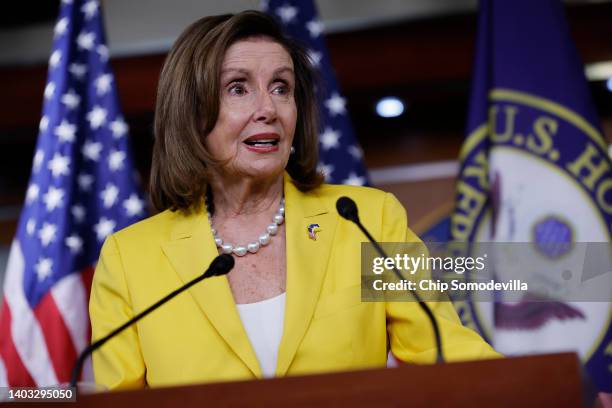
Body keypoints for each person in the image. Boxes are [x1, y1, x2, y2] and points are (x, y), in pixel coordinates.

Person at [89, 10, 499, 390]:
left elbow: (446, 353)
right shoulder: (130, 260)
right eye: (238, 88)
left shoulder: (367, 220)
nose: (268, 108)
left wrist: (549, 383)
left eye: (281, 87)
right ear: (191, 113)